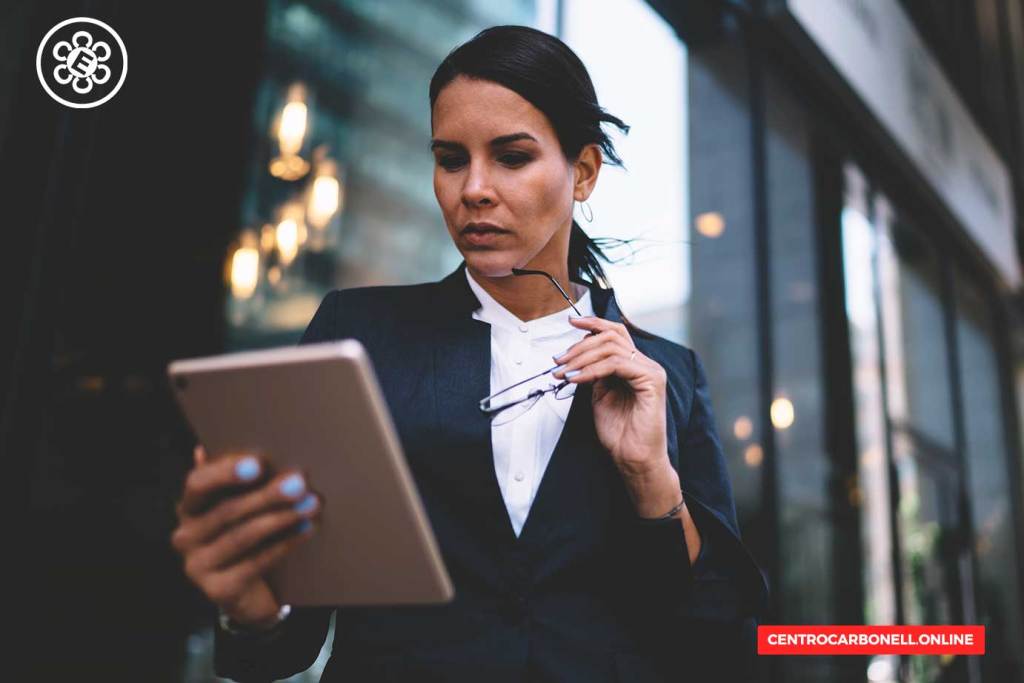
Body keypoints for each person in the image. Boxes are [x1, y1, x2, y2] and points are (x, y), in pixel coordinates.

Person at [171, 25, 768, 683]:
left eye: (511, 157)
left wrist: (652, 478)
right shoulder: (360, 335)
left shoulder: (666, 374)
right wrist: (255, 608)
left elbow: (718, 639)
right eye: (451, 158)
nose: (473, 188)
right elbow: (286, 644)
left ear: (585, 172)